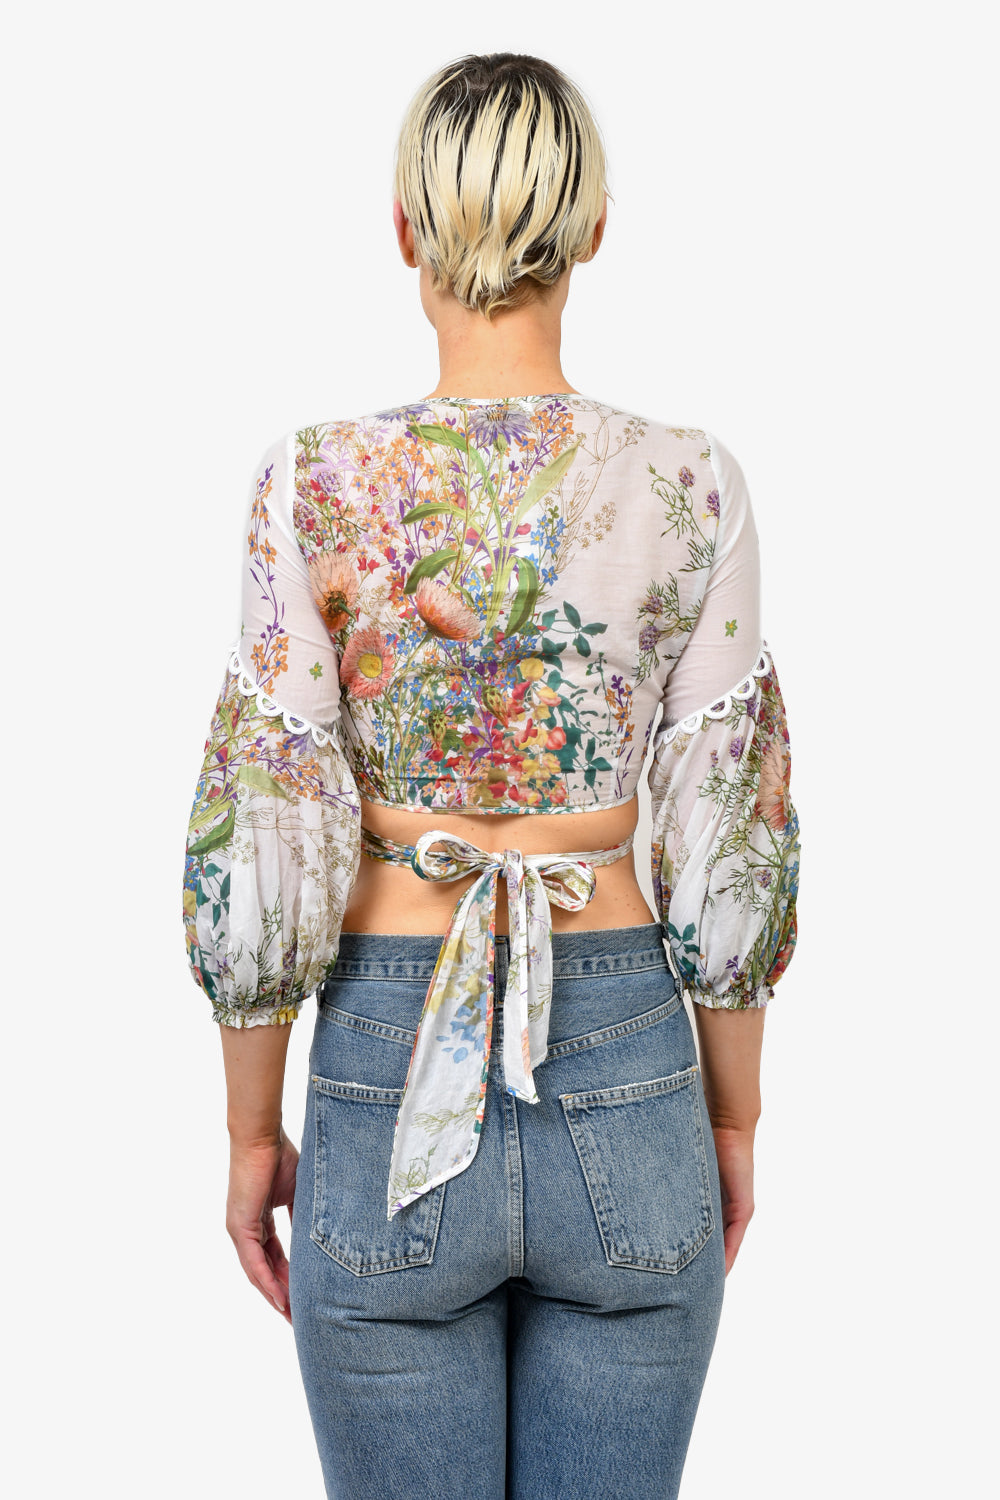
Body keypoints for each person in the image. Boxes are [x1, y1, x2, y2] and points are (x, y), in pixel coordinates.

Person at [183, 51, 800, 1500]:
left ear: (403, 226)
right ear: (595, 228)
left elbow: (265, 820)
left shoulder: (315, 479)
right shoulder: (692, 479)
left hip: (381, 1066)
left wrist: (252, 1132)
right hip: (629, 1067)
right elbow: (732, 833)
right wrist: (732, 1118)